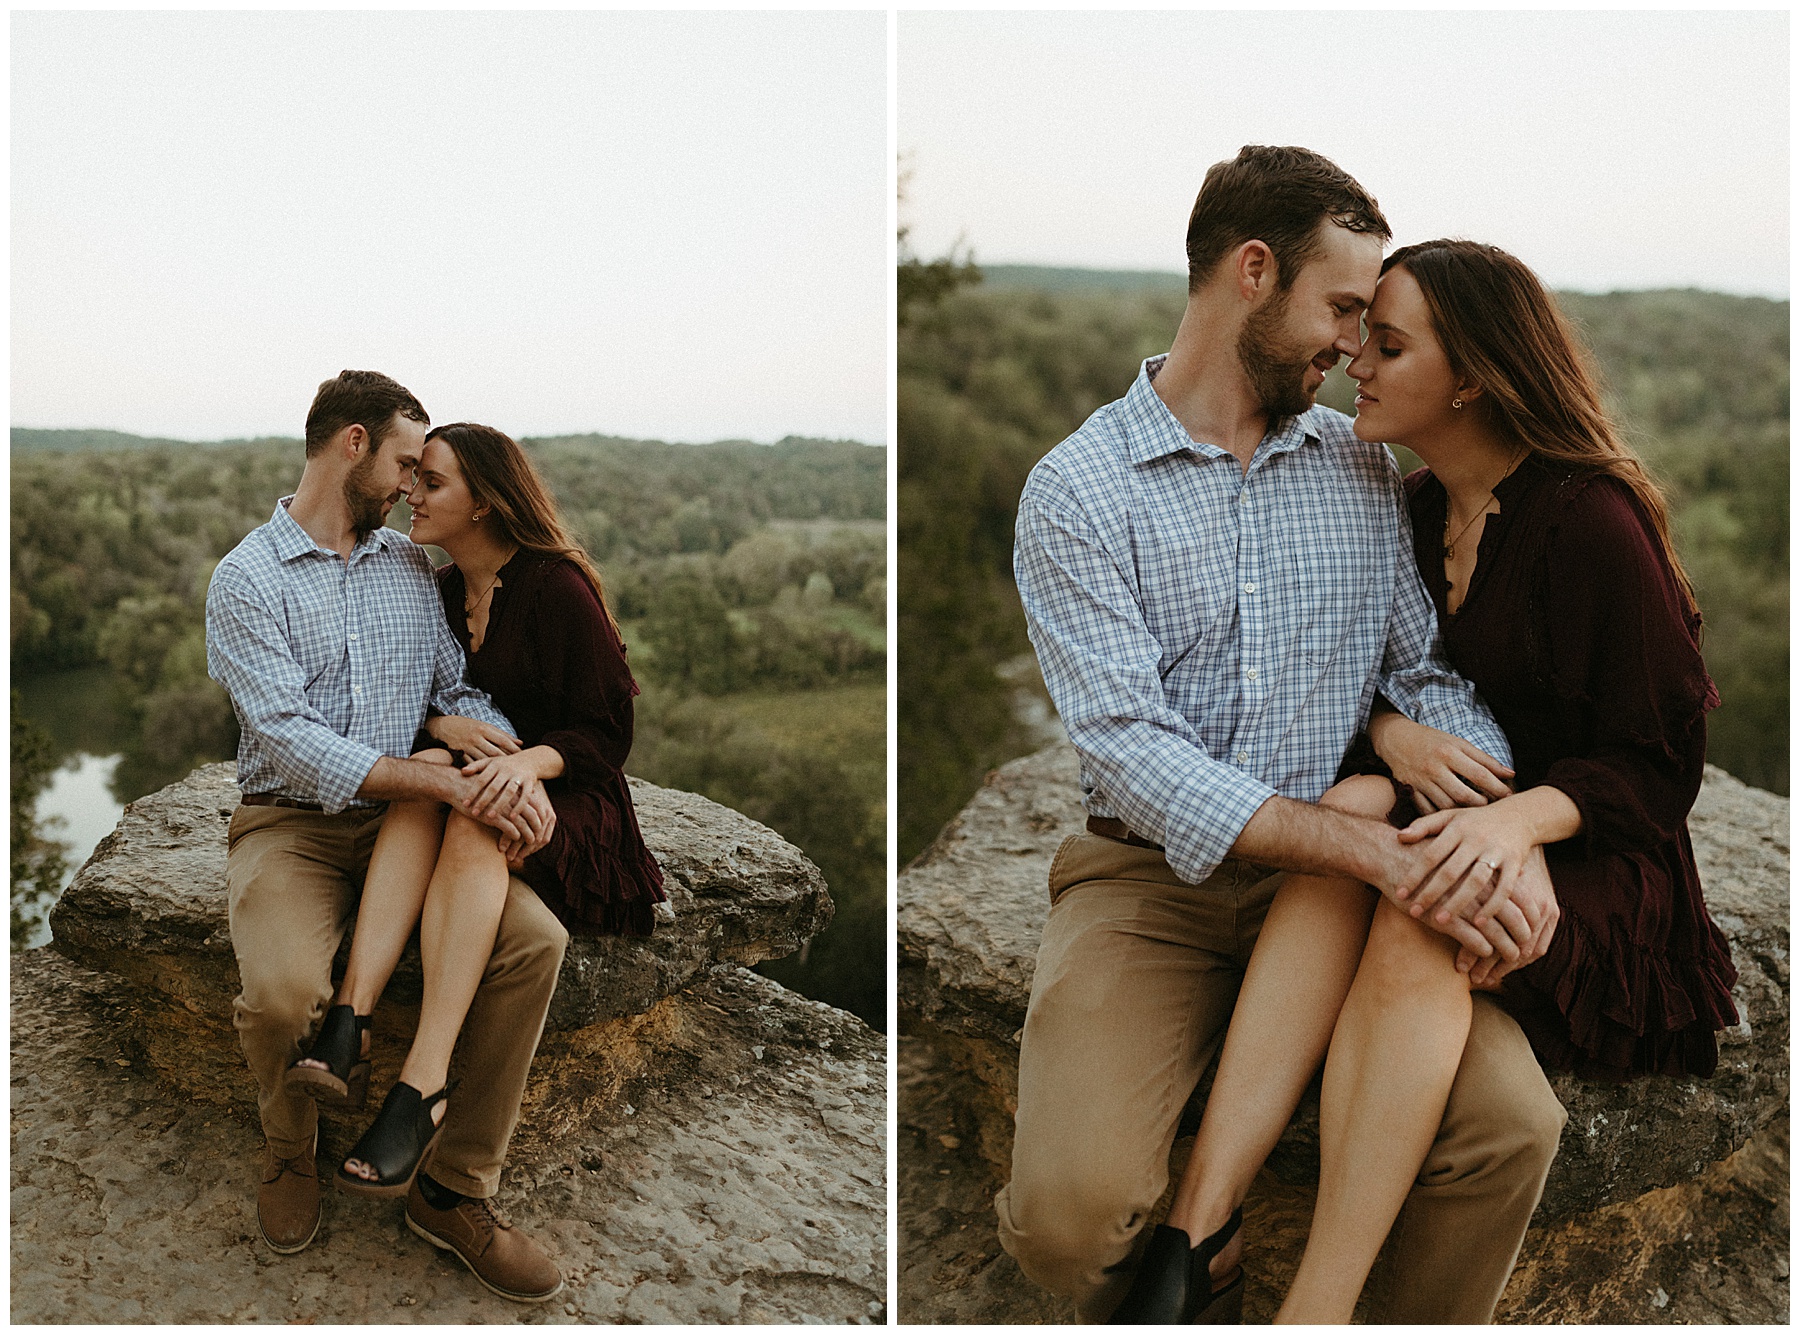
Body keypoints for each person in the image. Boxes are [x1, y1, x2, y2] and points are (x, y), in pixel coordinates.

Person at [1005, 146, 1568, 1325]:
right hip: (1149, 880)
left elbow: (1435, 676)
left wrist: (1443, 793)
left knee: (1511, 1129)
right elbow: (1127, 749)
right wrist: (1368, 842)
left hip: (1352, 896)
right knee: (1066, 1223)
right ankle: (1204, 1256)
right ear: (1252, 273)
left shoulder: (1363, 465)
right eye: (1345, 310)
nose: (1356, 350)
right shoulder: (1078, 491)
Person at [1136, 239, 1739, 1322]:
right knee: (1357, 809)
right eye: (1361, 333)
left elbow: (1661, 767)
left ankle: (1311, 1308)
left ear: (1470, 376)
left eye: (1389, 343)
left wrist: (1518, 826)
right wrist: (1393, 733)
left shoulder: (1590, 520)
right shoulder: (1407, 510)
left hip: (1595, 853)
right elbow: (1367, 670)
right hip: (1457, 808)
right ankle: (1202, 1223)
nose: (1355, 360)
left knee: (1422, 902)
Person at [206, 371, 568, 1302]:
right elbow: (286, 735)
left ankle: (455, 1189)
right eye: (409, 462)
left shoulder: (414, 571)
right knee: (286, 991)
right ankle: (292, 1150)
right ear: (354, 446)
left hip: (413, 828)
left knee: (535, 943)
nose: (414, 485)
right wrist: (432, 771)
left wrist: (492, 763)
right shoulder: (246, 579)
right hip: (292, 823)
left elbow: (461, 689)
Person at [289, 420, 666, 1239]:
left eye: (432, 482)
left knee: (469, 814)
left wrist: (525, 765)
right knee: (432, 791)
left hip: (567, 794)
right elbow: (409, 698)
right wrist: (446, 725)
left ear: (486, 502)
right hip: (469, 781)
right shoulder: (435, 586)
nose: (410, 494)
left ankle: (421, 1084)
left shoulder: (557, 587)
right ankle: (347, 1025)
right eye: (413, 477)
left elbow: (608, 733)